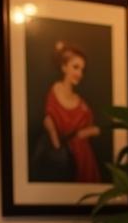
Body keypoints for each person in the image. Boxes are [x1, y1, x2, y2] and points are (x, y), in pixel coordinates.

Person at [40, 40, 101, 183]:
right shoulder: (55, 91)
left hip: (85, 160)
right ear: (64, 67)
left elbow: (97, 129)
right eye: (75, 67)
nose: (80, 73)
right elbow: (48, 120)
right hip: (65, 160)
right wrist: (56, 144)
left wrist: (87, 132)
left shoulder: (81, 103)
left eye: (82, 70)